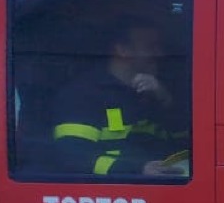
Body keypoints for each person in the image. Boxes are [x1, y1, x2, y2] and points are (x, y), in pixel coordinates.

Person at [48, 17, 188, 177]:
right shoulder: (82, 95)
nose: (160, 54)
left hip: (162, 188)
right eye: (151, 47)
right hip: (109, 190)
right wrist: (138, 169)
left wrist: (166, 100)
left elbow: (186, 145)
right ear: (122, 50)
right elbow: (73, 157)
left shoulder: (155, 93)